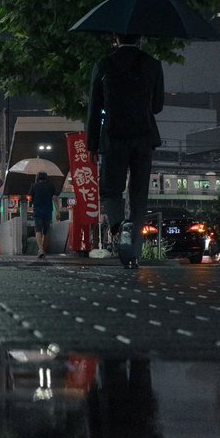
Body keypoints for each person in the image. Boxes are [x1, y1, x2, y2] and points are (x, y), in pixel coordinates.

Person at [86, 32, 164, 270]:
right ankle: (134, 253)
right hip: (143, 137)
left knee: (111, 190)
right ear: (140, 38)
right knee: (139, 194)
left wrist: (92, 144)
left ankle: (121, 227)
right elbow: (158, 105)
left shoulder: (103, 65)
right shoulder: (152, 64)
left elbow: (94, 108)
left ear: (115, 39)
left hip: (113, 138)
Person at [28, 171, 60, 259]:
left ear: (38, 178)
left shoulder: (34, 185)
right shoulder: (51, 185)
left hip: (38, 211)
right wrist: (58, 212)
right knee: (46, 231)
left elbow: (30, 199)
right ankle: (43, 250)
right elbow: (55, 198)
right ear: (46, 178)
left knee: (38, 230)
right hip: (48, 211)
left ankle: (40, 249)